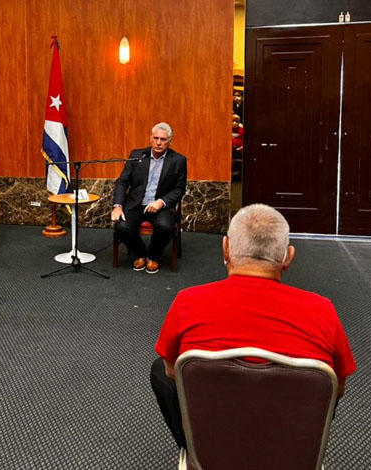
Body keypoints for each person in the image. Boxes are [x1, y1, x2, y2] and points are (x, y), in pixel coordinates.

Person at [149, 204, 356, 449]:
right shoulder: (323, 310)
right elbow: (337, 389)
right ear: (288, 257)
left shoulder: (187, 302)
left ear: (226, 249)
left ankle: (195, 447)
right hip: (290, 448)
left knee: (160, 371)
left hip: (213, 442)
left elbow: (172, 371)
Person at [111, 122, 187, 274]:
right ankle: (139, 253)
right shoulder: (137, 156)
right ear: (150, 138)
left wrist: (162, 201)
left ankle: (153, 256)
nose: (159, 143)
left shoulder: (178, 160)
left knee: (165, 226)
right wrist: (117, 206)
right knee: (121, 226)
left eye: (163, 139)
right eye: (156, 138)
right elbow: (122, 181)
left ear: (170, 141)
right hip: (136, 204)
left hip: (161, 207)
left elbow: (179, 189)